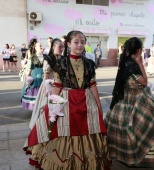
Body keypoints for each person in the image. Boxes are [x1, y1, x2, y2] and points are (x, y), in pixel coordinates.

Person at [23, 30, 110, 169]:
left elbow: (93, 86)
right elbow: (57, 86)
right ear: (69, 44)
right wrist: (51, 107)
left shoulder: (89, 63)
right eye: (76, 42)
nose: (80, 45)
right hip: (67, 103)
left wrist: (99, 107)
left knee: (88, 130)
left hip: (87, 102)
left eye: (82, 42)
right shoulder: (61, 63)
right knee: (63, 131)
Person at [105, 37, 154, 167]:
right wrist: (140, 63)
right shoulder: (132, 64)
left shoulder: (125, 62)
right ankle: (140, 157)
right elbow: (144, 82)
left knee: (121, 125)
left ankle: (121, 154)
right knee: (146, 125)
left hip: (125, 98)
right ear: (139, 50)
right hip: (137, 99)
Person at [29, 38, 64, 129]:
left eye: (62, 47)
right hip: (49, 86)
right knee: (47, 108)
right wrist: (46, 90)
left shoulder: (63, 58)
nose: (62, 49)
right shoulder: (48, 59)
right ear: (53, 47)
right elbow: (46, 76)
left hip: (60, 86)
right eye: (59, 47)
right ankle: (44, 128)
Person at [21, 42, 44, 110]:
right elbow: (29, 70)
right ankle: (36, 110)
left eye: (41, 45)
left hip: (44, 78)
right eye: (39, 46)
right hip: (36, 79)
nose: (41, 47)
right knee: (36, 94)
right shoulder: (33, 57)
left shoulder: (46, 57)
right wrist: (28, 79)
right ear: (36, 48)